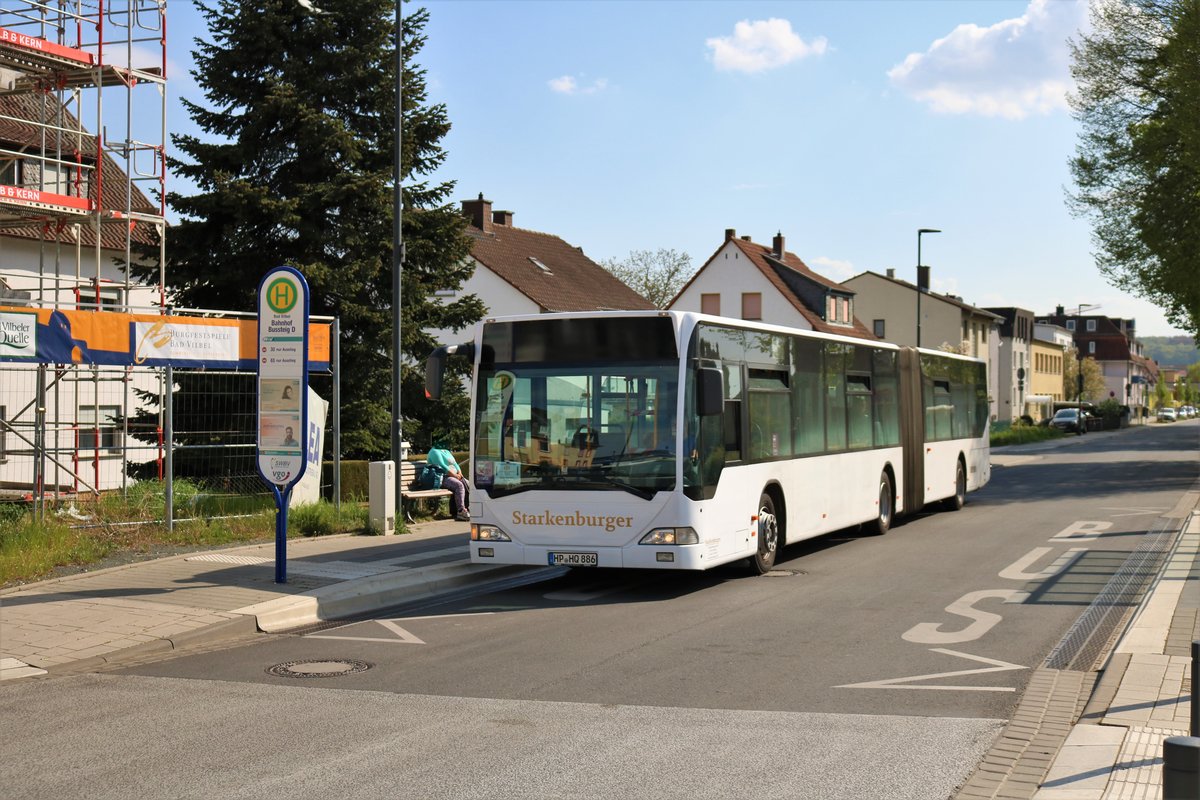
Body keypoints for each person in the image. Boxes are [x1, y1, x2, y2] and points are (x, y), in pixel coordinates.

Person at [427, 440, 469, 522]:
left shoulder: (446, 451)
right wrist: (455, 475)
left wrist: (460, 473)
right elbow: (442, 466)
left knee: (468, 484)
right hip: (441, 477)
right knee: (459, 485)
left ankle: (465, 508)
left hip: (454, 475)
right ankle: (460, 511)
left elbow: (455, 464)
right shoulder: (434, 452)